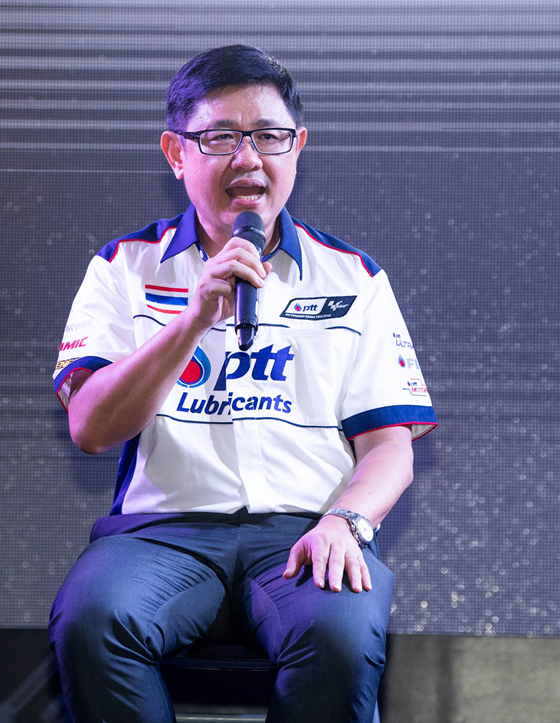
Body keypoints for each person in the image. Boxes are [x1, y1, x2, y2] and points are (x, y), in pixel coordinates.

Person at [49, 44, 437, 723]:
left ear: (298, 147)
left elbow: (389, 446)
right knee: (93, 619)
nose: (248, 158)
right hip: (159, 534)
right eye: (221, 137)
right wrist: (193, 317)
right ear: (176, 153)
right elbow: (91, 426)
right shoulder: (123, 268)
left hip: (305, 530)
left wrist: (347, 521)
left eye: (268, 136)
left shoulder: (354, 277)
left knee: (341, 637)